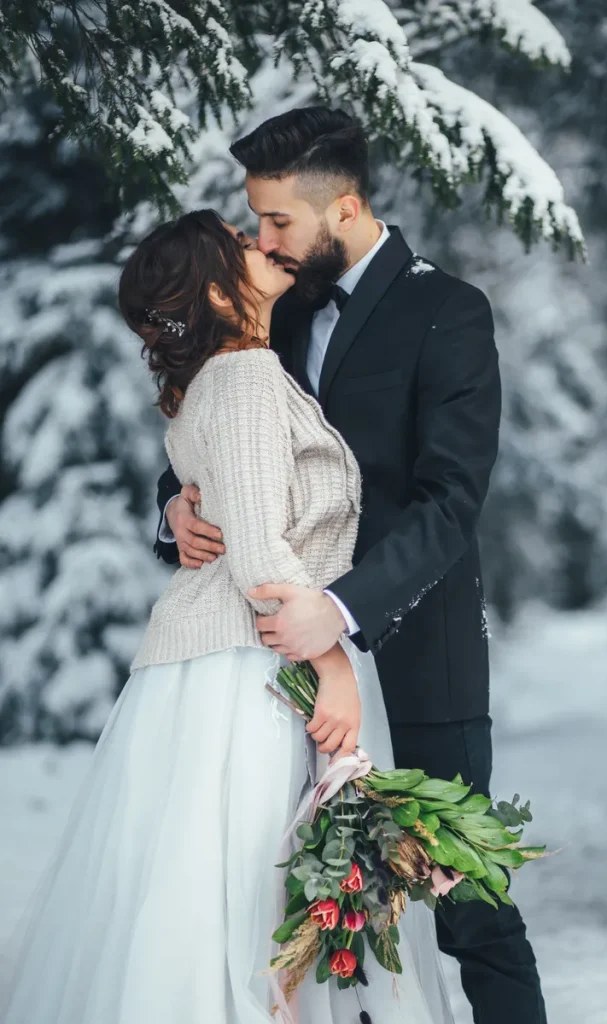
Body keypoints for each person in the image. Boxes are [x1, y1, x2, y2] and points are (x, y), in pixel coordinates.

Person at [0, 210, 453, 1024]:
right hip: (257, 666)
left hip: (235, 658)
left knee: (233, 906)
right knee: (255, 907)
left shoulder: (231, 374)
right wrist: (335, 667)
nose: (262, 243)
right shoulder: (242, 378)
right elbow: (257, 550)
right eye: (242, 244)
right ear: (217, 288)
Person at [157, 108, 547, 1024]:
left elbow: (451, 499)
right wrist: (173, 510)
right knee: (295, 891)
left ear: (347, 206)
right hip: (276, 661)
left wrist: (338, 610)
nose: (262, 241)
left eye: (279, 222)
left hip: (414, 638)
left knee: (462, 894)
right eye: (255, 222)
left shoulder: (447, 309)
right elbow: (212, 436)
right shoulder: (270, 309)